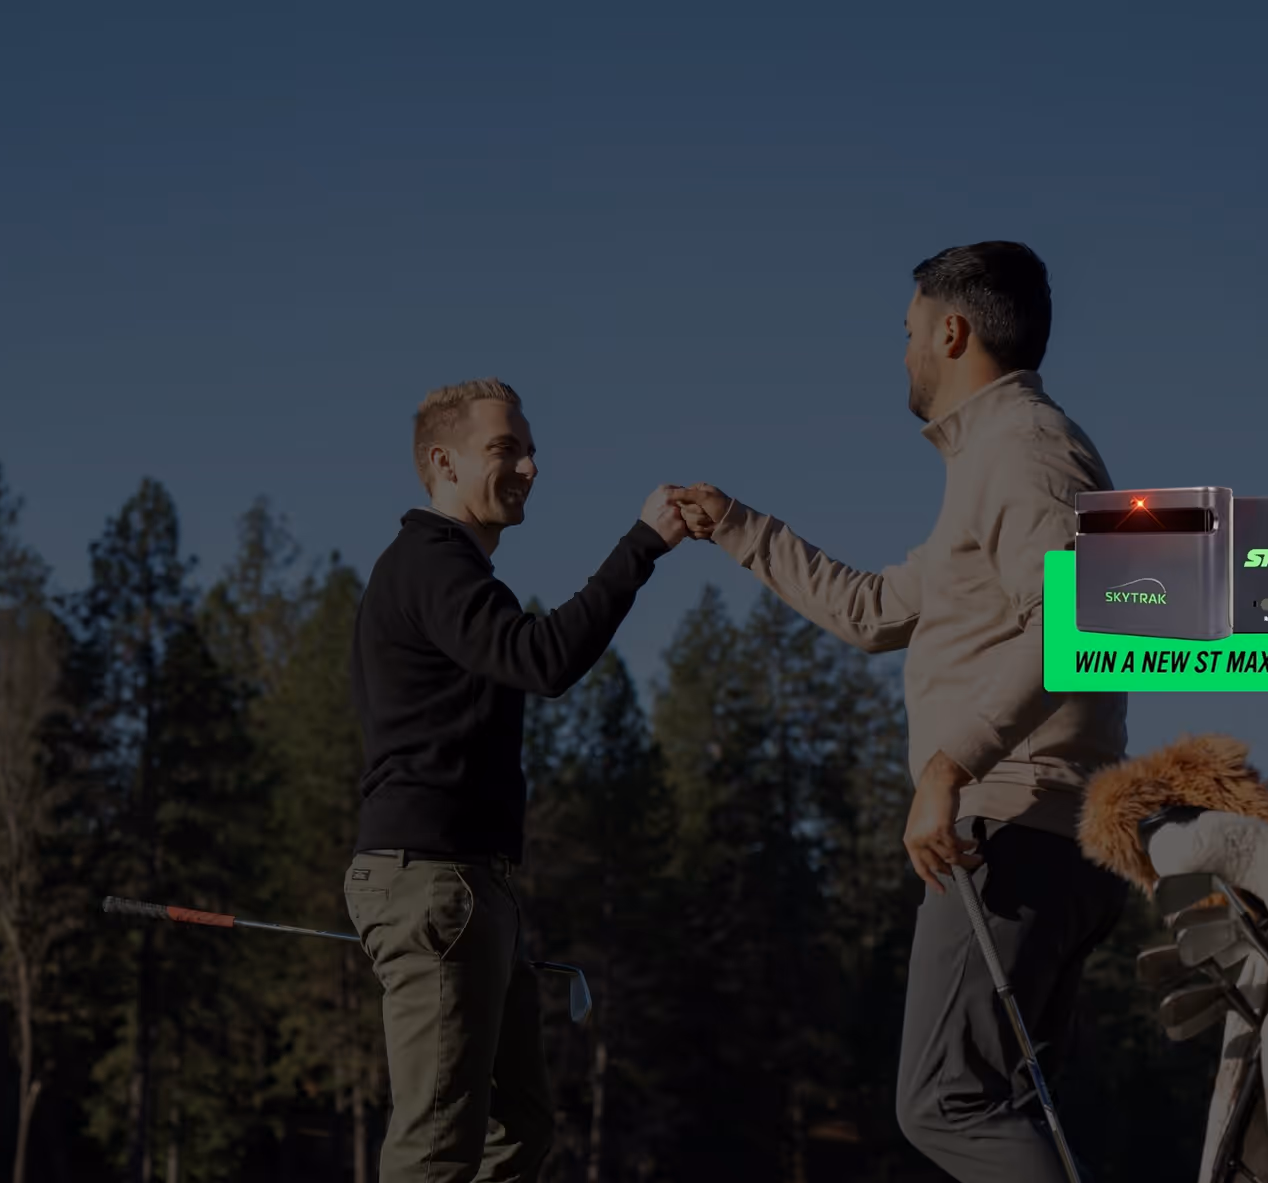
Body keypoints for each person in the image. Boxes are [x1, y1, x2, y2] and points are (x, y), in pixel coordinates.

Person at [672, 242, 1130, 1182]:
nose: (906, 351)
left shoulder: (1024, 450)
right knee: (997, 1104)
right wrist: (737, 526)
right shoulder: (995, 459)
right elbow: (877, 611)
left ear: (951, 331)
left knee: (944, 1102)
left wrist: (948, 764)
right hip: (1040, 828)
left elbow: (1080, 615)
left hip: (1012, 824)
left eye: (909, 331)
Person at [345, 377, 691, 1181]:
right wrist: (641, 544)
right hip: (433, 887)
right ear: (443, 462)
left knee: (518, 1128)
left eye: (530, 448)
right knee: (437, 1149)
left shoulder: (449, 573)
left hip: (468, 887)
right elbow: (541, 658)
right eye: (506, 448)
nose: (531, 466)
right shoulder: (429, 563)